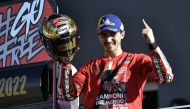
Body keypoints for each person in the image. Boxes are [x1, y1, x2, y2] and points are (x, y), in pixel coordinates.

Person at [60, 13, 174, 109]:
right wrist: (65, 63)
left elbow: (165, 77)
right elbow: (68, 95)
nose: (108, 39)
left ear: (122, 34)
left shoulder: (137, 61)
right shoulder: (89, 67)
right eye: (104, 35)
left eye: (113, 34)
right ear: (99, 37)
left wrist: (152, 44)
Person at [38, 14, 80, 109]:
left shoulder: (72, 70)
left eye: (70, 44)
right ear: (49, 46)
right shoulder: (40, 70)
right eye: (62, 47)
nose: (67, 52)